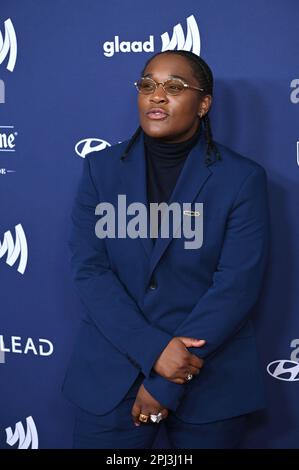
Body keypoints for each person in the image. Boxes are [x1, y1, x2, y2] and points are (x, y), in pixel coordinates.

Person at [62, 50, 270, 449]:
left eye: (174, 87)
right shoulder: (99, 169)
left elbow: (236, 286)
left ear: (203, 104)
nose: (157, 96)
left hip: (210, 384)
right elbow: (90, 270)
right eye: (147, 85)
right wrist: (154, 350)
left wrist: (164, 384)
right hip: (110, 377)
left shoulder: (242, 179)